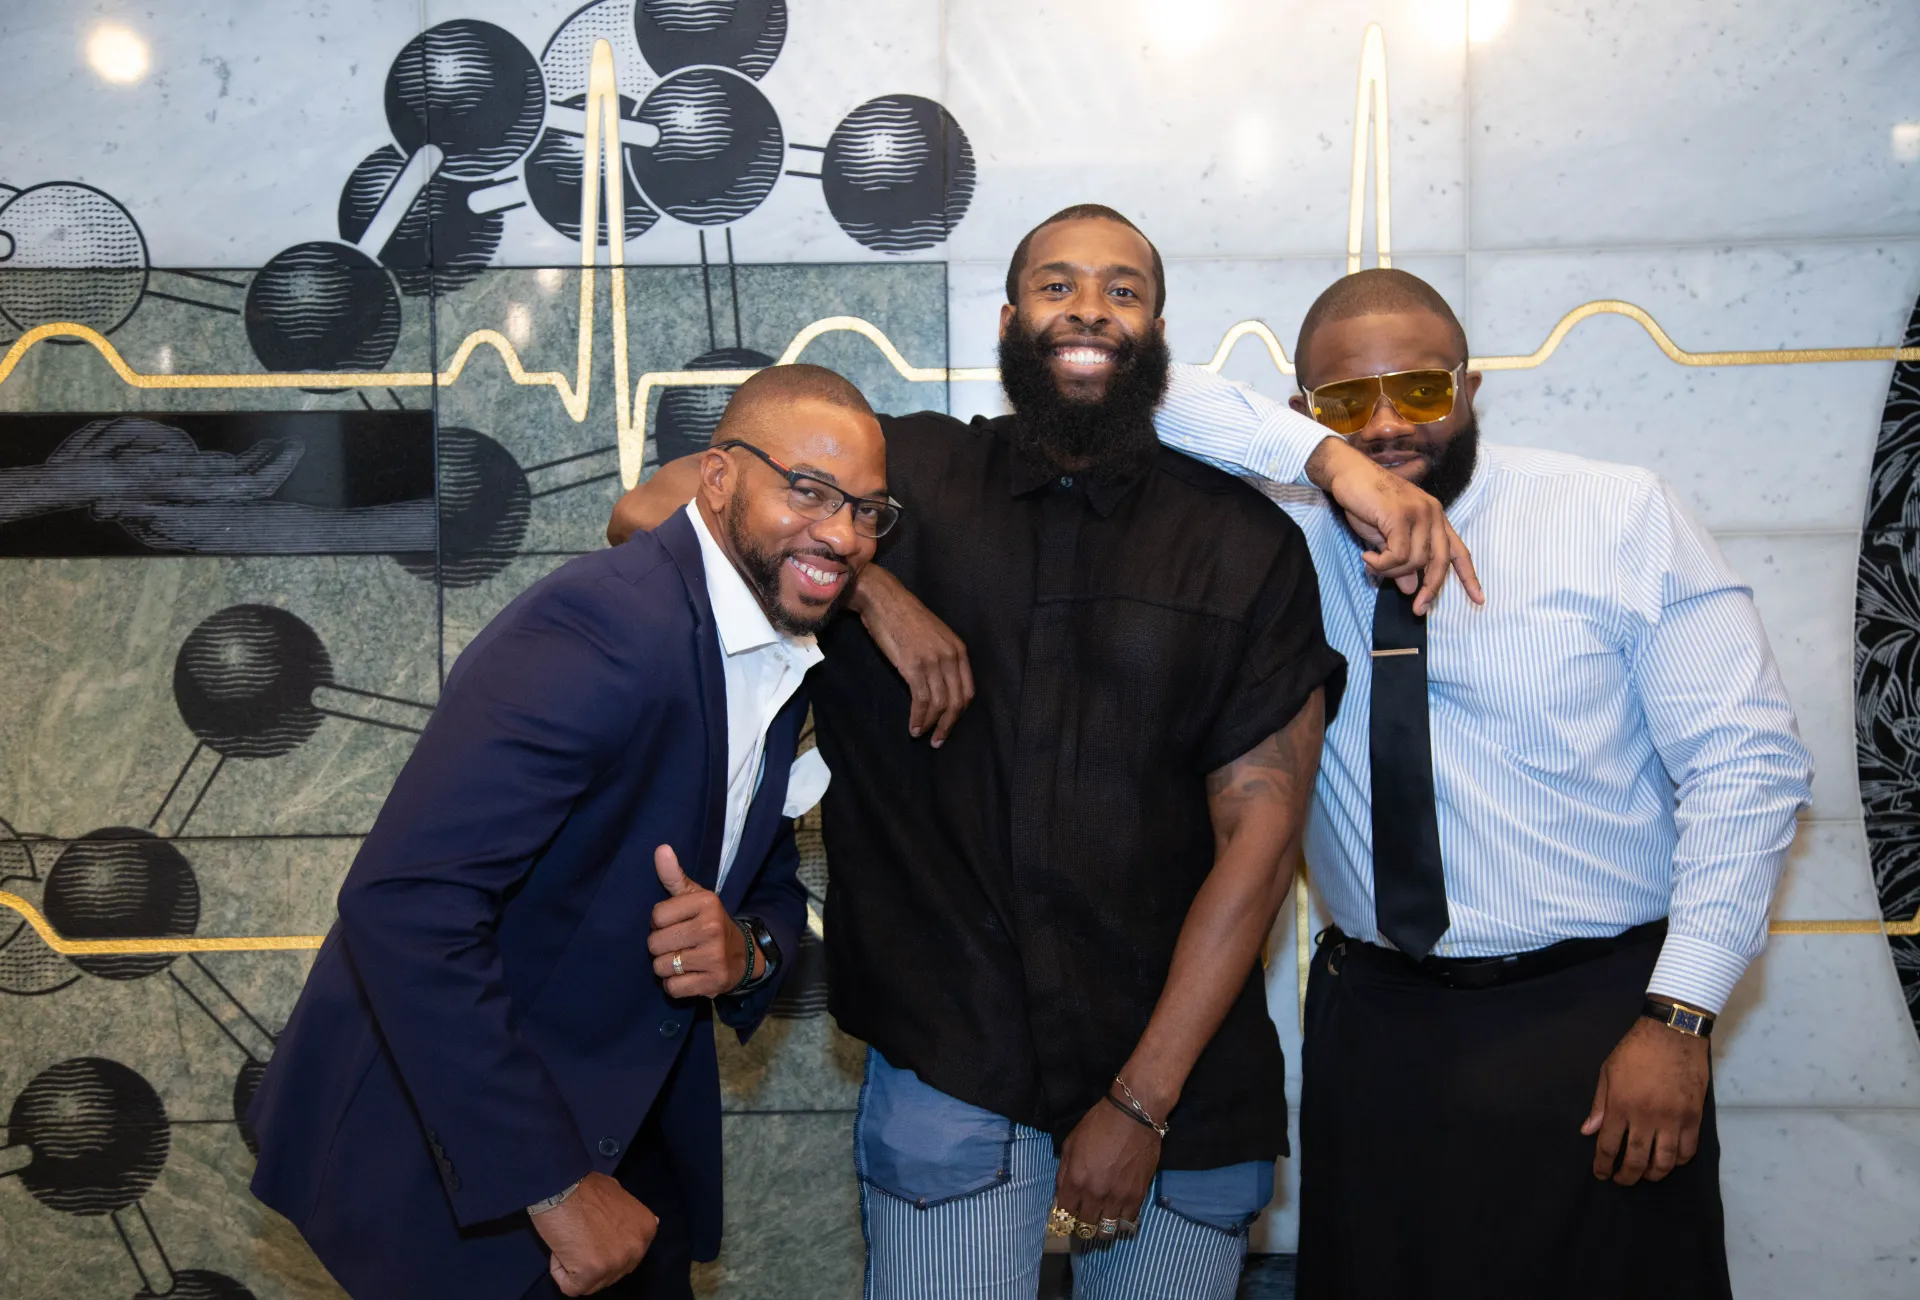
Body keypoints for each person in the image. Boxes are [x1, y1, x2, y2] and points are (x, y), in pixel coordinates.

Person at [607, 207, 1477, 1298]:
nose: (1090, 311)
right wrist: (872, 590)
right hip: (952, 1062)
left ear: (1158, 334)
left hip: (1184, 1087)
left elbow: (1259, 845)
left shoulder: (1242, 543)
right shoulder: (902, 479)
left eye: (1124, 291)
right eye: (1058, 286)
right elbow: (649, 512)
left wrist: (1139, 1101)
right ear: (1010, 320)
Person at [1144, 268, 1813, 1297]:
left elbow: (1748, 764)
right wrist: (1329, 466)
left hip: (1599, 1019)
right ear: (1301, 412)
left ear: (1470, 387)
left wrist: (1680, 1017)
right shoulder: (1281, 533)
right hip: (1377, 1028)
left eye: (1420, 389)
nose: (1386, 425)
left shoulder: (1615, 513)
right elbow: (1131, 388)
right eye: (1344, 402)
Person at [247, 364, 892, 1300]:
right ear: (718, 479)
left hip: (626, 1140)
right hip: (467, 1170)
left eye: (867, 510)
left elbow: (768, 882)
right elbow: (407, 902)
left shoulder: (779, 644)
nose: (841, 533)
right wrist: (550, 1183)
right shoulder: (601, 624)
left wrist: (745, 951)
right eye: (808, 490)